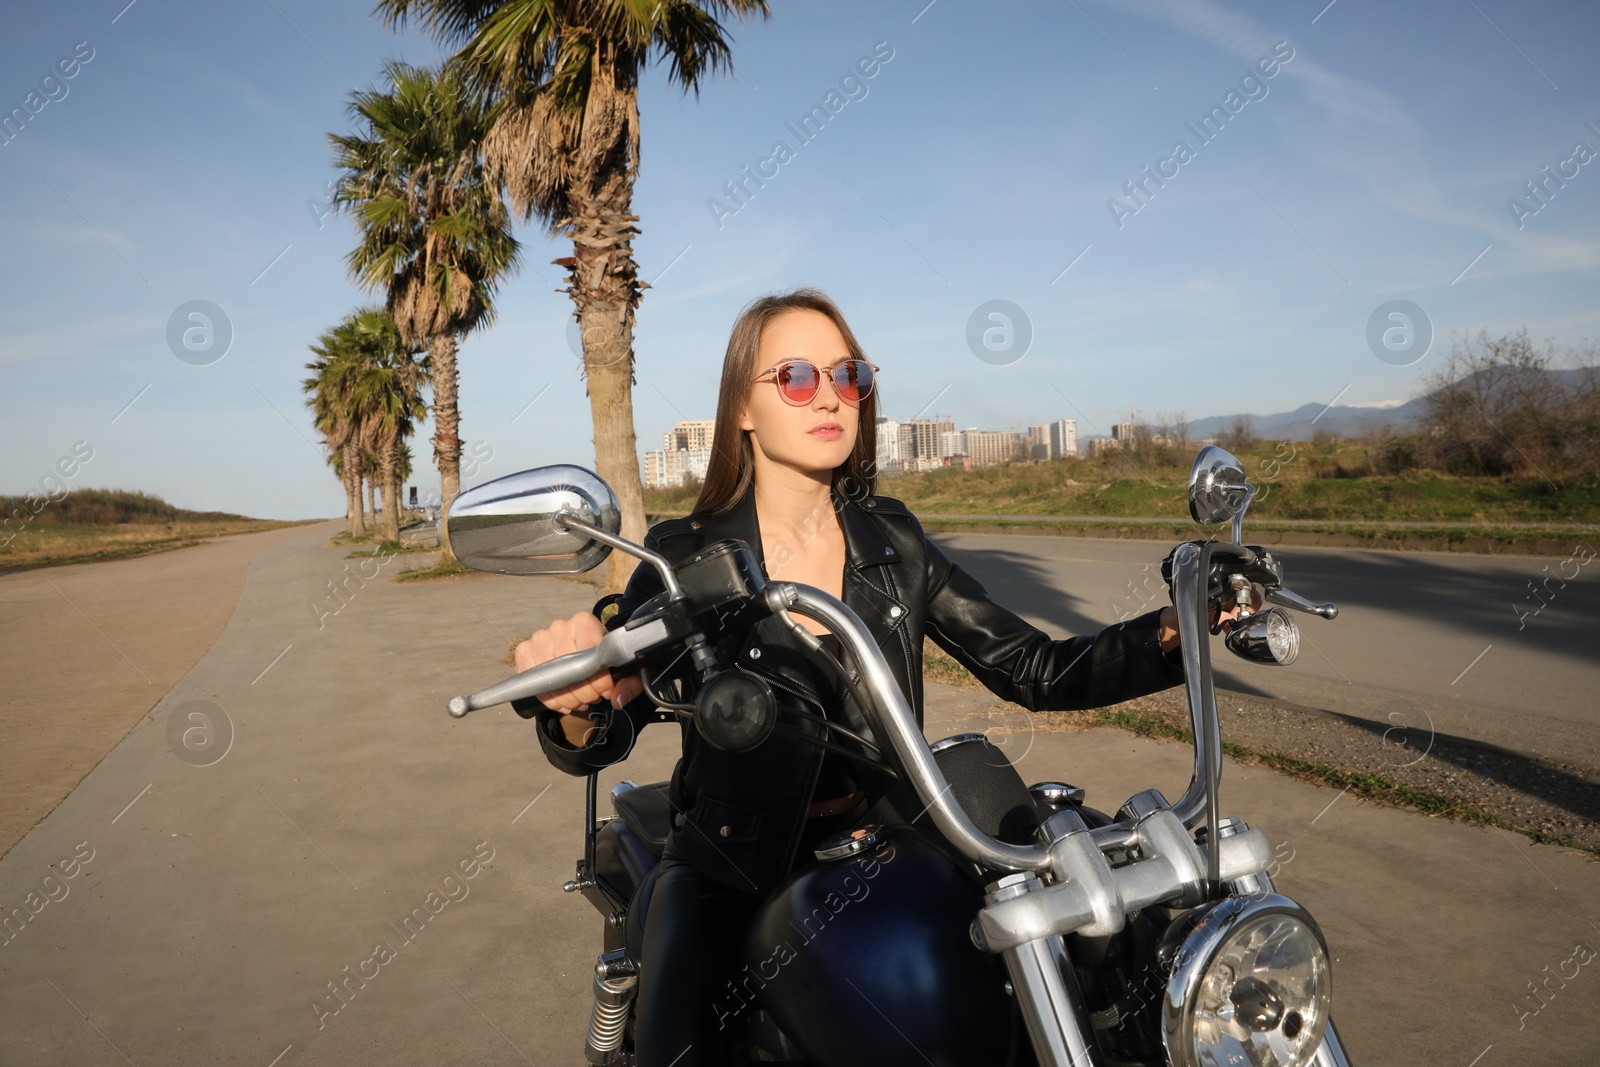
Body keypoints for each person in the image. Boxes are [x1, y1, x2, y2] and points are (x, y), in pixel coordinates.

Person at [512, 289, 1213, 1065]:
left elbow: (1034, 667)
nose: (832, 397)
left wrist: (1172, 630)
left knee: (1077, 980)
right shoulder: (681, 559)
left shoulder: (893, 541)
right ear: (742, 406)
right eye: (798, 377)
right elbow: (605, 723)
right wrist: (575, 690)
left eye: (848, 376)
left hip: (898, 835)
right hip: (729, 860)